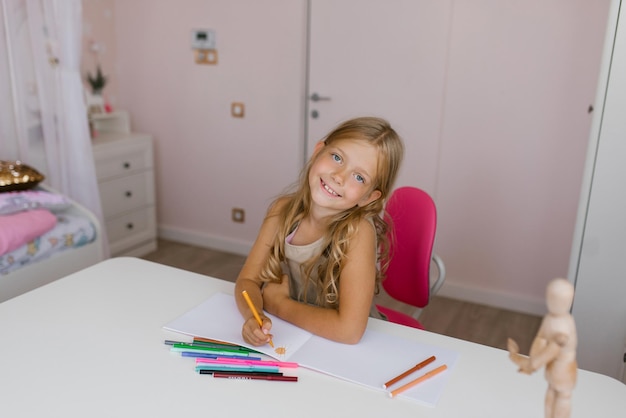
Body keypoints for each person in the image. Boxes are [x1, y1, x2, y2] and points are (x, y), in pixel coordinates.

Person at [234, 116, 404, 347]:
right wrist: (254, 317)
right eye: (337, 158)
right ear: (318, 151)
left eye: (359, 177)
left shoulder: (358, 233)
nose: (338, 176)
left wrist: (279, 305)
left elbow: (349, 332)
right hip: (297, 335)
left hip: (346, 348)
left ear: (369, 197)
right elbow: (247, 281)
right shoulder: (281, 211)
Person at [507, 278, 577, 418]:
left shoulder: (564, 325)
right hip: (552, 367)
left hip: (563, 370)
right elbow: (541, 338)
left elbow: (552, 350)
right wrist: (532, 359)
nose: (552, 302)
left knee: (562, 397)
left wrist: (532, 365)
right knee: (550, 394)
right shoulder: (549, 319)